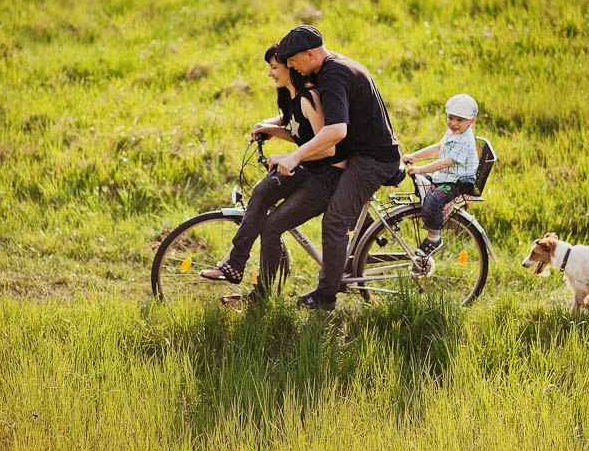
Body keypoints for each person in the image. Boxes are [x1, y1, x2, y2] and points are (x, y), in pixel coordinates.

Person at [270, 25, 402, 310]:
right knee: (341, 212)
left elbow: (336, 131)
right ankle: (357, 250)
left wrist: (295, 157)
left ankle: (326, 295)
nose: (290, 66)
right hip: (362, 154)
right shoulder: (331, 66)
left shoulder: (333, 75)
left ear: (311, 53)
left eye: (293, 60)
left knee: (334, 221)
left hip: (372, 160)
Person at [199, 44, 346, 300]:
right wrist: (270, 129)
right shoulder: (291, 97)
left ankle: (262, 296)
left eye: (274, 67)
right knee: (261, 191)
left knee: (272, 226)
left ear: (290, 67)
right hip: (308, 168)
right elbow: (300, 134)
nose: (270, 73)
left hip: (326, 176)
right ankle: (235, 264)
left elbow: (328, 149)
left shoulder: (308, 98)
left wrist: (290, 157)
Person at [401, 93, 479, 257]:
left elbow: (446, 162)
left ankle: (434, 238)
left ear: (472, 121)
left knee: (433, 200)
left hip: (458, 182)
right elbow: (439, 148)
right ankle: (428, 211)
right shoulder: (453, 133)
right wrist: (415, 155)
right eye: (450, 118)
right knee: (422, 184)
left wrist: (420, 169)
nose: (453, 123)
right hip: (445, 176)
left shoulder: (465, 141)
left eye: (460, 120)